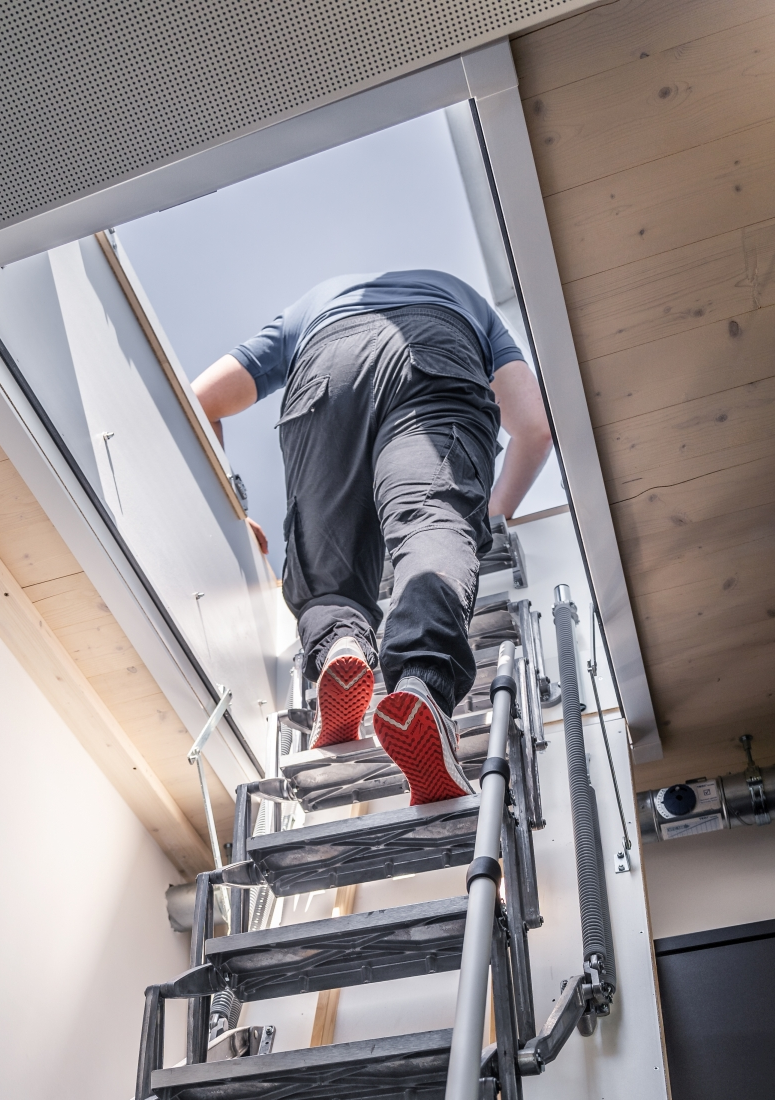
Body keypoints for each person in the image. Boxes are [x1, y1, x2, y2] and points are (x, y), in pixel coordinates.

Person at [192, 271, 553, 802]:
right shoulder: (462, 295)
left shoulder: (310, 302)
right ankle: (421, 687)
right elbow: (536, 426)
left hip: (324, 359)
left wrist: (233, 507)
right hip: (438, 347)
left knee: (325, 564)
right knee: (433, 522)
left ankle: (342, 645)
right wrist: (480, 522)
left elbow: (203, 398)